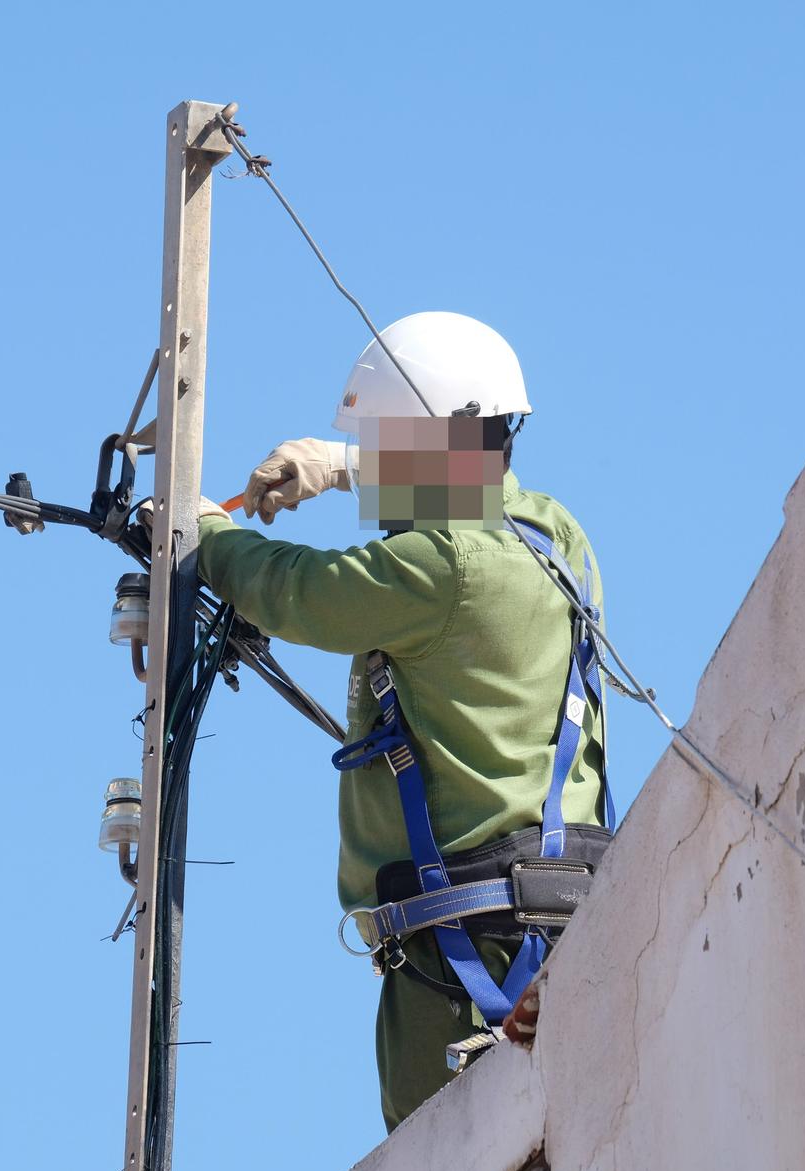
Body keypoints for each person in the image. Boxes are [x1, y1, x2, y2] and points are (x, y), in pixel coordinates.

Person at [196, 312, 613, 1129]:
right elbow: (471, 487)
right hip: (571, 926)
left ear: (434, 440)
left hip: (462, 963)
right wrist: (344, 467)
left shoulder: (438, 566)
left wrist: (204, 531)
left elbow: (293, 589)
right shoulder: (560, 536)